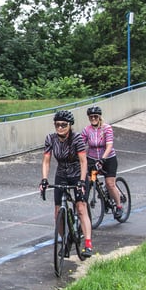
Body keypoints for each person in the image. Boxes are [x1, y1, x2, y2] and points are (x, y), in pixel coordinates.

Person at [40, 110, 93, 257]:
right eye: (57, 125)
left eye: (64, 125)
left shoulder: (77, 139)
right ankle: (65, 242)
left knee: (81, 208)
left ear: (70, 125)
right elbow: (46, 160)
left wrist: (82, 181)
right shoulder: (50, 139)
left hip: (77, 174)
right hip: (61, 174)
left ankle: (88, 243)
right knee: (58, 212)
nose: (60, 127)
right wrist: (44, 179)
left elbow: (83, 161)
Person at [81, 105, 124, 221]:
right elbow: (80, 145)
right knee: (91, 180)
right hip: (93, 160)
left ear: (99, 117)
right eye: (91, 117)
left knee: (110, 184)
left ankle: (119, 206)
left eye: (95, 116)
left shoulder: (106, 128)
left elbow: (109, 145)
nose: (93, 119)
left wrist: (103, 159)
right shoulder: (87, 130)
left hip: (108, 159)